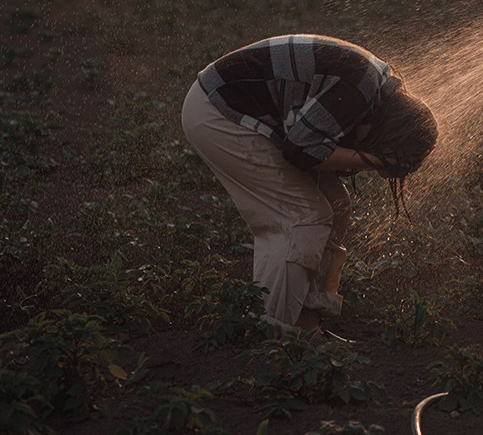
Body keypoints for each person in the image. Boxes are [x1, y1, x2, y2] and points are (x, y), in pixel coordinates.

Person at [180, 34, 437, 336]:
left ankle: (308, 321)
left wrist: (375, 159)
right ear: (389, 135)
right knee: (300, 215)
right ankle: (279, 334)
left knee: (335, 205)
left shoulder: (374, 92)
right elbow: (301, 150)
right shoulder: (360, 89)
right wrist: (373, 159)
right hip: (218, 112)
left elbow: (310, 143)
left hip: (246, 113)